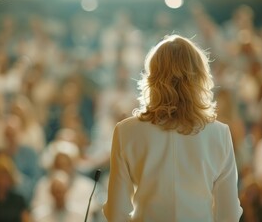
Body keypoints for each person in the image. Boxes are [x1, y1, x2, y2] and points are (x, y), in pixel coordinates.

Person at [103, 34, 242, 221]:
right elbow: (229, 213)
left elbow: (116, 212)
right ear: (199, 76)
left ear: (152, 76)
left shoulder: (125, 131)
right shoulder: (220, 133)